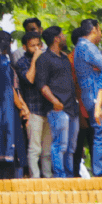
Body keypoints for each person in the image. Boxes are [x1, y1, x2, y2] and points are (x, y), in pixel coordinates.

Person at [33, 28, 76, 179]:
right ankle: (60, 175)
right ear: (57, 39)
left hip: (71, 108)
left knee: (71, 147)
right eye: (62, 35)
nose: (65, 37)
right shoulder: (44, 59)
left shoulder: (64, 58)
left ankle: (69, 175)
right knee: (60, 145)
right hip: (58, 108)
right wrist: (54, 101)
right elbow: (42, 85)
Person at [72, 19, 102, 179]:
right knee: (101, 132)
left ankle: (101, 170)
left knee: (101, 132)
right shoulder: (87, 46)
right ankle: (100, 172)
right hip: (94, 96)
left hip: (90, 95)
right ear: (94, 29)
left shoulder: (81, 46)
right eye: (100, 30)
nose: (101, 34)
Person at [0, 31, 20, 177]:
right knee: (7, 138)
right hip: (6, 108)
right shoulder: (3, 62)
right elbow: (9, 90)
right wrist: (22, 106)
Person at [16, 30, 49, 178]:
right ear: (24, 47)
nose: (36, 48)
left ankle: (48, 177)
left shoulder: (47, 58)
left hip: (48, 109)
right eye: (32, 46)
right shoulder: (22, 62)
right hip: (33, 109)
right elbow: (29, 79)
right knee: (35, 148)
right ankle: (35, 178)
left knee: (47, 149)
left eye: (38, 45)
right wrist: (35, 59)